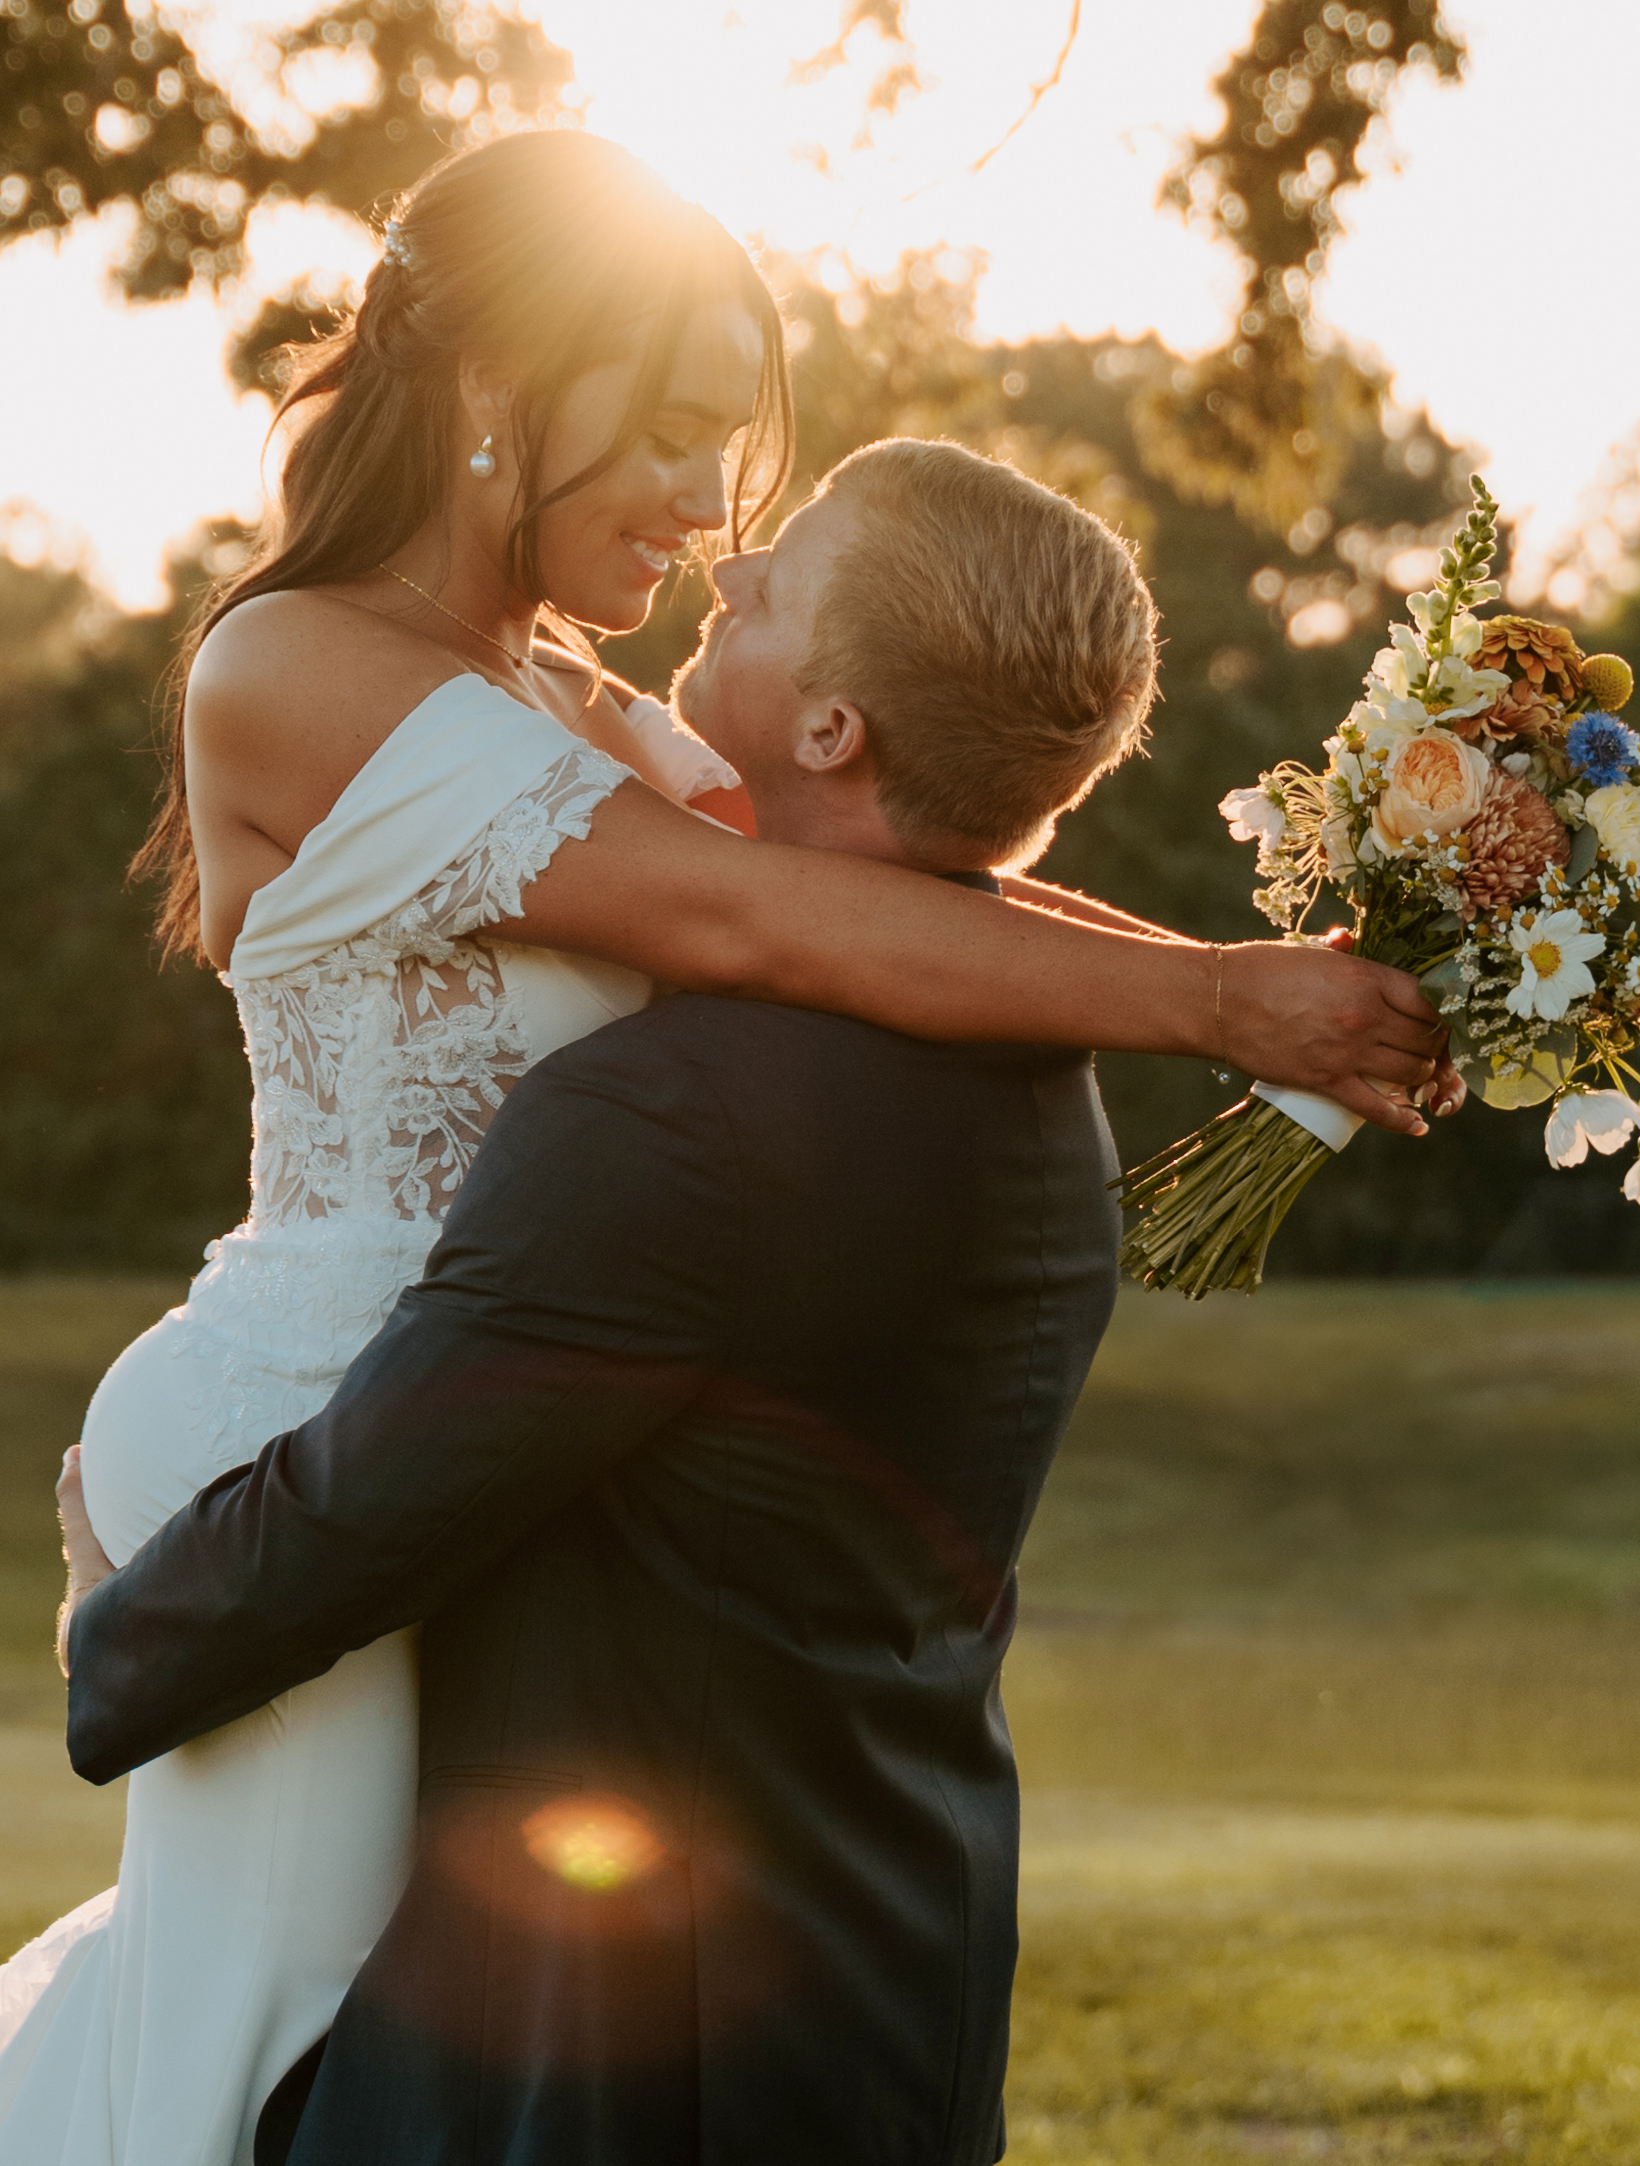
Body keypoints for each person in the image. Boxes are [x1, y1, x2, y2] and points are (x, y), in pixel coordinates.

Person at [3, 128, 1446, 2166]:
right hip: (291, 1425)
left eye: (726, 454)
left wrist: (1260, 971)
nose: (706, 508)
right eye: (673, 438)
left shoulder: (567, 702)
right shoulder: (296, 663)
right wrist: (1222, 1004)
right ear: (506, 389)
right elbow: (752, 920)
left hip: (436, 1450)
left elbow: (901, 884)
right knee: (251, 2049)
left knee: (351, 2054)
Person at [64, 436, 1166, 2163]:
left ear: (831, 731)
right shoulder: (1042, 1075)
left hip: (628, 2047)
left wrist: (114, 1618)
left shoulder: (678, 1108)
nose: (729, 571)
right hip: (894, 1974)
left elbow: (383, 1497)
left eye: (781, 577)